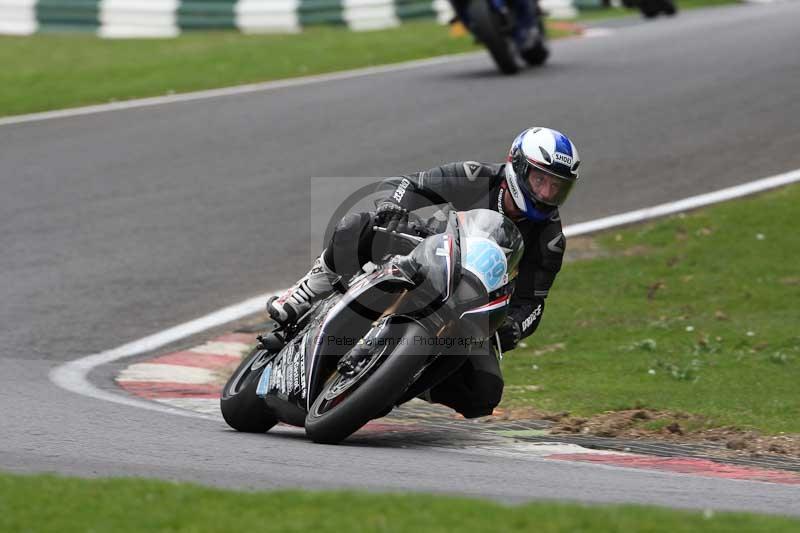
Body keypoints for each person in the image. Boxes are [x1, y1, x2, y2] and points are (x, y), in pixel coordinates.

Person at [268, 127, 580, 418]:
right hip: (428, 255)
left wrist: (514, 326)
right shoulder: (476, 176)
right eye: (541, 180)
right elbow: (411, 183)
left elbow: (533, 303)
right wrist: (393, 204)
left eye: (557, 187)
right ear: (517, 166)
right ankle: (305, 293)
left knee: (484, 394)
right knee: (360, 225)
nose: (546, 193)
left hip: (471, 302)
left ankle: (403, 379)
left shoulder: (550, 240)